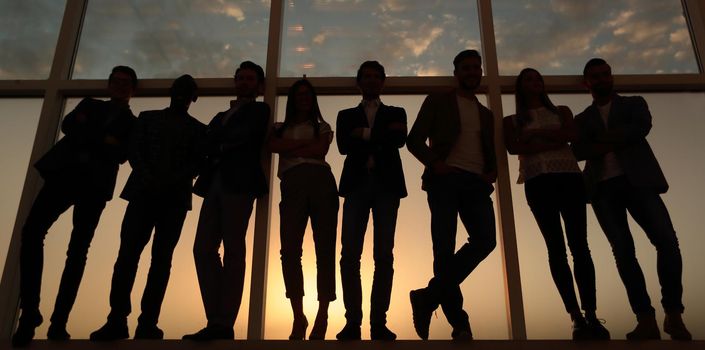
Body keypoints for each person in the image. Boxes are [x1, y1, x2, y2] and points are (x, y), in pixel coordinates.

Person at [11, 66, 137, 347]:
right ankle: (30, 312)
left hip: (94, 187)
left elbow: (120, 154)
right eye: (115, 81)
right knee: (31, 233)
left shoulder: (131, 123)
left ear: (133, 90)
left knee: (77, 252)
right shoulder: (90, 104)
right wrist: (103, 140)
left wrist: (90, 133)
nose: (119, 86)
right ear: (108, 84)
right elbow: (69, 125)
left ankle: (59, 322)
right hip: (63, 177)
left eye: (125, 83)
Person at [572, 58, 691, 341]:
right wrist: (617, 139)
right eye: (595, 77)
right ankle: (645, 319)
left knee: (667, 241)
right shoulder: (581, 119)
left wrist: (599, 142)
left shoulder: (634, 103)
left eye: (605, 74)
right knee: (623, 252)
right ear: (586, 83)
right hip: (603, 189)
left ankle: (673, 314)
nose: (602, 79)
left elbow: (641, 127)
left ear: (611, 76)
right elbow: (578, 149)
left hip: (639, 182)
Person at [90, 74, 206, 340]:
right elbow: (134, 150)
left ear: (193, 98)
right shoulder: (147, 118)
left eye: (186, 91)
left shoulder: (198, 130)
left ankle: (147, 322)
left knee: (161, 261)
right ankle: (117, 319)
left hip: (173, 201)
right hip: (143, 195)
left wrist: (172, 180)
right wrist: (150, 177)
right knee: (127, 257)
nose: (180, 95)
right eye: (178, 89)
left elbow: (199, 162)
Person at [503, 68, 609, 340]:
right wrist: (550, 136)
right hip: (538, 182)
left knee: (580, 246)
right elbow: (514, 148)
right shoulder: (512, 120)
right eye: (528, 79)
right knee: (556, 249)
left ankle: (591, 314)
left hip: (569, 179)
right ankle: (574, 316)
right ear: (520, 86)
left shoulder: (562, 111)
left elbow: (570, 135)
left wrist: (534, 137)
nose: (535, 83)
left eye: (538, 78)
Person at [406, 49, 496, 340]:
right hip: (445, 180)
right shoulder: (438, 101)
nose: (472, 72)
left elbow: (489, 149)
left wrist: (491, 172)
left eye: (476, 68)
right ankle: (460, 324)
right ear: (456, 73)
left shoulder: (486, 114)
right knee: (443, 251)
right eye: (466, 68)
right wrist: (436, 164)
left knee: (485, 241)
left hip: (476, 183)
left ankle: (427, 297)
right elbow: (414, 139)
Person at [183, 61, 270, 341]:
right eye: (240, 78)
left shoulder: (260, 109)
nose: (243, 82)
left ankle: (222, 321)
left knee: (233, 250)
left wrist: (218, 144)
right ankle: (216, 319)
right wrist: (220, 143)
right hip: (214, 183)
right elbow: (206, 143)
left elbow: (246, 137)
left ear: (259, 85)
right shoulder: (221, 115)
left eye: (249, 79)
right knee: (202, 249)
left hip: (239, 184)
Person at [335, 61, 407, 341]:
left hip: (386, 187)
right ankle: (353, 322)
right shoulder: (346, 115)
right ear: (359, 81)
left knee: (383, 256)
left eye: (377, 76)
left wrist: (363, 135)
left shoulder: (397, 112)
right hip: (356, 186)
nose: (372, 80)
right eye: (367, 76)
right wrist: (381, 136)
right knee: (349, 255)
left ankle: (379, 323)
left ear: (383, 82)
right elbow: (343, 145)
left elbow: (399, 140)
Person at [268, 79, 338, 340]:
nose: (304, 99)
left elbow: (320, 150)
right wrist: (304, 147)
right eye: (299, 95)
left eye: (308, 95)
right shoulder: (278, 127)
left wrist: (290, 147)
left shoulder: (322, 126)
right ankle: (298, 315)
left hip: (322, 183)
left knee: (325, 249)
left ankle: (323, 313)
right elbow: (274, 146)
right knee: (289, 251)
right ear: (292, 99)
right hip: (292, 184)